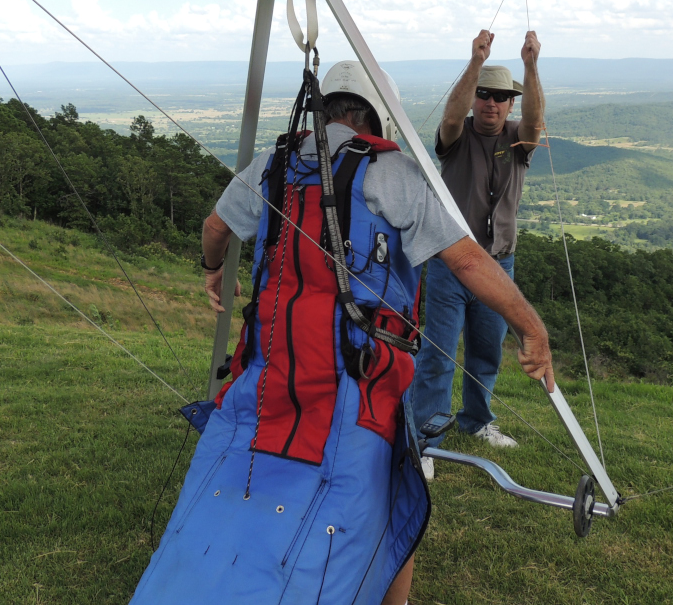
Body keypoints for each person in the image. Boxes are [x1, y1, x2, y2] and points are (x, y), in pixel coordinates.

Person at [130, 61, 553, 605]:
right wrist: (531, 326)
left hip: (267, 373)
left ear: (322, 109)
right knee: (398, 483)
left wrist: (213, 268)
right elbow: (469, 261)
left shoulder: (271, 165)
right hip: (358, 382)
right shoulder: (392, 171)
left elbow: (215, 228)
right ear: (375, 116)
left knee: (255, 481)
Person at [411, 29, 544, 475]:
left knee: (487, 351)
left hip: (498, 263)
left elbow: (535, 122)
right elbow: (450, 118)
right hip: (451, 261)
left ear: (510, 103)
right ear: (474, 99)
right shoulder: (458, 134)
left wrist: (530, 66)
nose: (490, 103)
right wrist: (475, 61)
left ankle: (477, 420)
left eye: (500, 97)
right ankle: (425, 438)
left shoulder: (516, 141)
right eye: (483, 95)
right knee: (439, 353)